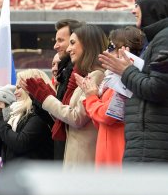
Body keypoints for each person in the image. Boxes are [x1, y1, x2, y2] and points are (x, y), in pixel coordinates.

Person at [99, 0, 168, 162]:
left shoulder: (166, 38)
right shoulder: (159, 39)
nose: (133, 11)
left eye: (137, 5)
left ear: (152, 7)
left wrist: (125, 71)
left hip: (153, 150)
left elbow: (157, 88)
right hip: (149, 146)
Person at [25, 24, 107, 169]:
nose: (69, 49)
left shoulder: (97, 75)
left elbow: (77, 117)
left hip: (83, 165)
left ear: (88, 44)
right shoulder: (88, 76)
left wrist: (46, 98)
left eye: (73, 43)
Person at [79, 26, 145, 168]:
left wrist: (91, 97)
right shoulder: (113, 79)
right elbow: (99, 122)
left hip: (118, 156)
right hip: (107, 154)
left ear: (125, 50)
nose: (106, 52)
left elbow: (107, 116)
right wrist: (93, 96)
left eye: (110, 47)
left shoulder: (129, 79)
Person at [0, 72, 54, 164]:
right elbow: (4, 151)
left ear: (34, 86)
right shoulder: (16, 114)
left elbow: (20, 144)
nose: (15, 92)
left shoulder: (39, 115)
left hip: (35, 175)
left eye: (19, 87)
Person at [47, 19, 84, 160]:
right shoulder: (65, 73)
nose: (56, 46)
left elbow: (73, 116)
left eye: (61, 40)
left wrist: (44, 99)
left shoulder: (83, 73)